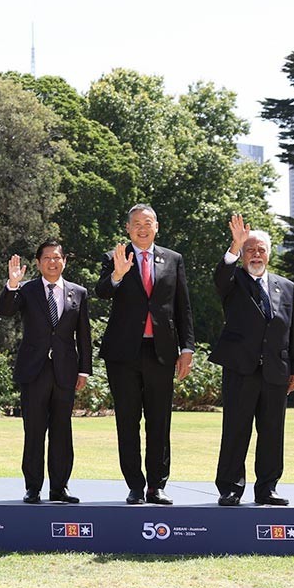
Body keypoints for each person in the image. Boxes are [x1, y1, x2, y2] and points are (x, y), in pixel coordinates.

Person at [96, 204, 194, 505]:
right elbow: (102, 292)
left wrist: (187, 348)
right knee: (127, 420)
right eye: (136, 223)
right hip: (123, 353)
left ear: (157, 226)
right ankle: (135, 486)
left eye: (147, 222)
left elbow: (182, 306)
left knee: (159, 421)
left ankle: (157, 485)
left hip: (161, 351)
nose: (142, 228)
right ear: (127, 228)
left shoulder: (173, 259)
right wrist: (117, 274)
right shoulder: (116, 256)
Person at [212, 215, 294, 506]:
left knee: (272, 432)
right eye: (250, 249)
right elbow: (220, 277)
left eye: (261, 249)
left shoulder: (286, 287)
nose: (256, 254)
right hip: (241, 369)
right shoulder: (233, 281)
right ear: (242, 254)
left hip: (277, 372)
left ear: (269, 254)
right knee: (236, 430)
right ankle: (230, 488)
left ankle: (267, 488)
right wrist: (234, 244)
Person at [0, 241, 91, 504]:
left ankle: (60, 487)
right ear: (38, 263)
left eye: (57, 257)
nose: (52, 262)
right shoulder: (27, 291)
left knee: (62, 431)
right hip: (34, 371)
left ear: (65, 261)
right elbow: (5, 310)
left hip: (65, 371)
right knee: (35, 430)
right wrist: (12, 284)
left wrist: (84, 370)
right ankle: (33, 487)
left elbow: (84, 334)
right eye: (47, 258)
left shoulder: (78, 293)